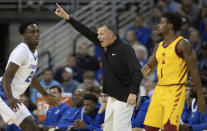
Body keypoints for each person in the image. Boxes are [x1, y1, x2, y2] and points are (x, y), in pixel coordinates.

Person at [55, 3, 143, 131]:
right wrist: (68, 18)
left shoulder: (125, 48)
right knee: (108, 129)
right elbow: (85, 31)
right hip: (112, 97)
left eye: (101, 34)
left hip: (125, 97)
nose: (98, 37)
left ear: (111, 34)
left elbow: (137, 71)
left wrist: (133, 92)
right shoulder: (104, 45)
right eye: (98, 34)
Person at [141, 12, 207, 131]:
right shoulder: (159, 46)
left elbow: (194, 71)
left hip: (175, 89)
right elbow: (146, 69)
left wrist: (200, 98)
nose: (158, 26)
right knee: (150, 127)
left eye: (161, 23)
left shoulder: (183, 44)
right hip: (159, 89)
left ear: (170, 26)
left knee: (169, 127)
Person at [0, 20, 56, 131]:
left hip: (13, 95)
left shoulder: (34, 52)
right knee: (30, 126)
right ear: (25, 35)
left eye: (37, 31)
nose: (36, 34)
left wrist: (45, 94)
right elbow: (6, 77)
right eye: (32, 32)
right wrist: (10, 98)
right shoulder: (22, 51)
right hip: (4, 93)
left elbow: (31, 76)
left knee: (33, 128)